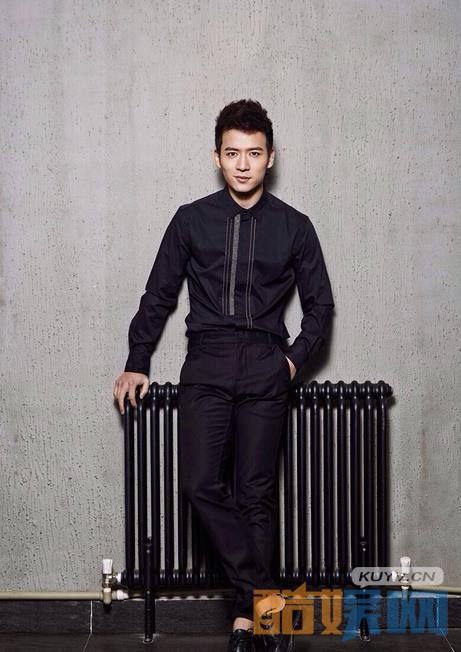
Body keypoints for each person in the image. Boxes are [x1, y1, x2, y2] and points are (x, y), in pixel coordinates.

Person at [113, 99, 334, 652]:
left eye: (253, 153)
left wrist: (292, 361)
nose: (243, 164)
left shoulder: (295, 226)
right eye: (233, 153)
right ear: (217, 157)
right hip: (207, 362)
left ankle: (247, 620)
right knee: (199, 484)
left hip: (266, 364)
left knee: (256, 494)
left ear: (270, 157)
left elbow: (321, 308)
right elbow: (159, 294)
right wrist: (137, 360)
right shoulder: (190, 220)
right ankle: (268, 600)